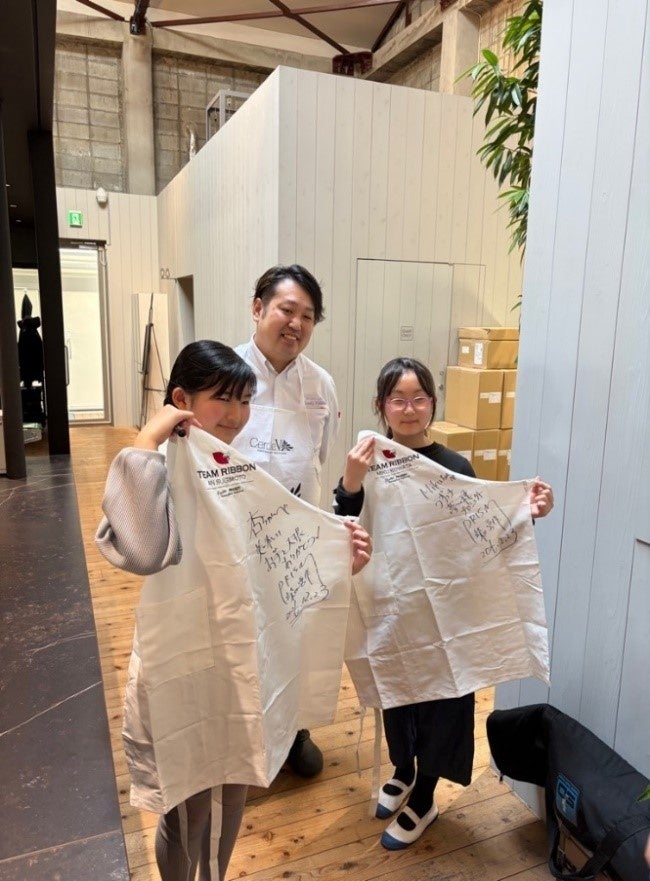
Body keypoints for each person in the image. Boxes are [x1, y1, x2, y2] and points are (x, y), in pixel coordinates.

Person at [96, 340, 371, 881]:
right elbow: (143, 551)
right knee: (187, 805)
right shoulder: (156, 465)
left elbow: (272, 555)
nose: (237, 414)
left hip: (241, 654)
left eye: (245, 400)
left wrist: (338, 559)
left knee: (235, 783)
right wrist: (148, 438)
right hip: (182, 659)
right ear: (181, 399)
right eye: (223, 399)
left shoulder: (236, 467)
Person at [334, 356, 554, 851]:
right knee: (396, 692)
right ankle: (403, 770)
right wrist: (350, 481)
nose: (409, 409)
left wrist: (526, 512)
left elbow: (485, 531)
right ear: (380, 405)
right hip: (391, 608)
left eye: (419, 398)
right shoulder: (367, 462)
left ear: (432, 403)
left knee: (442, 700)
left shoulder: (455, 467)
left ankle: (425, 796)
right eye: (398, 399)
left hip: (447, 615)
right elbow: (342, 525)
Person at [232, 265, 339, 777]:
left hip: (297, 541)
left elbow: (322, 456)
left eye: (308, 316)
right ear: (258, 308)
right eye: (286, 310)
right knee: (240, 636)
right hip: (234, 538)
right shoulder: (223, 374)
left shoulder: (321, 385)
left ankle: (295, 732)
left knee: (294, 635)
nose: (296, 324)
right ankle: (241, 739)